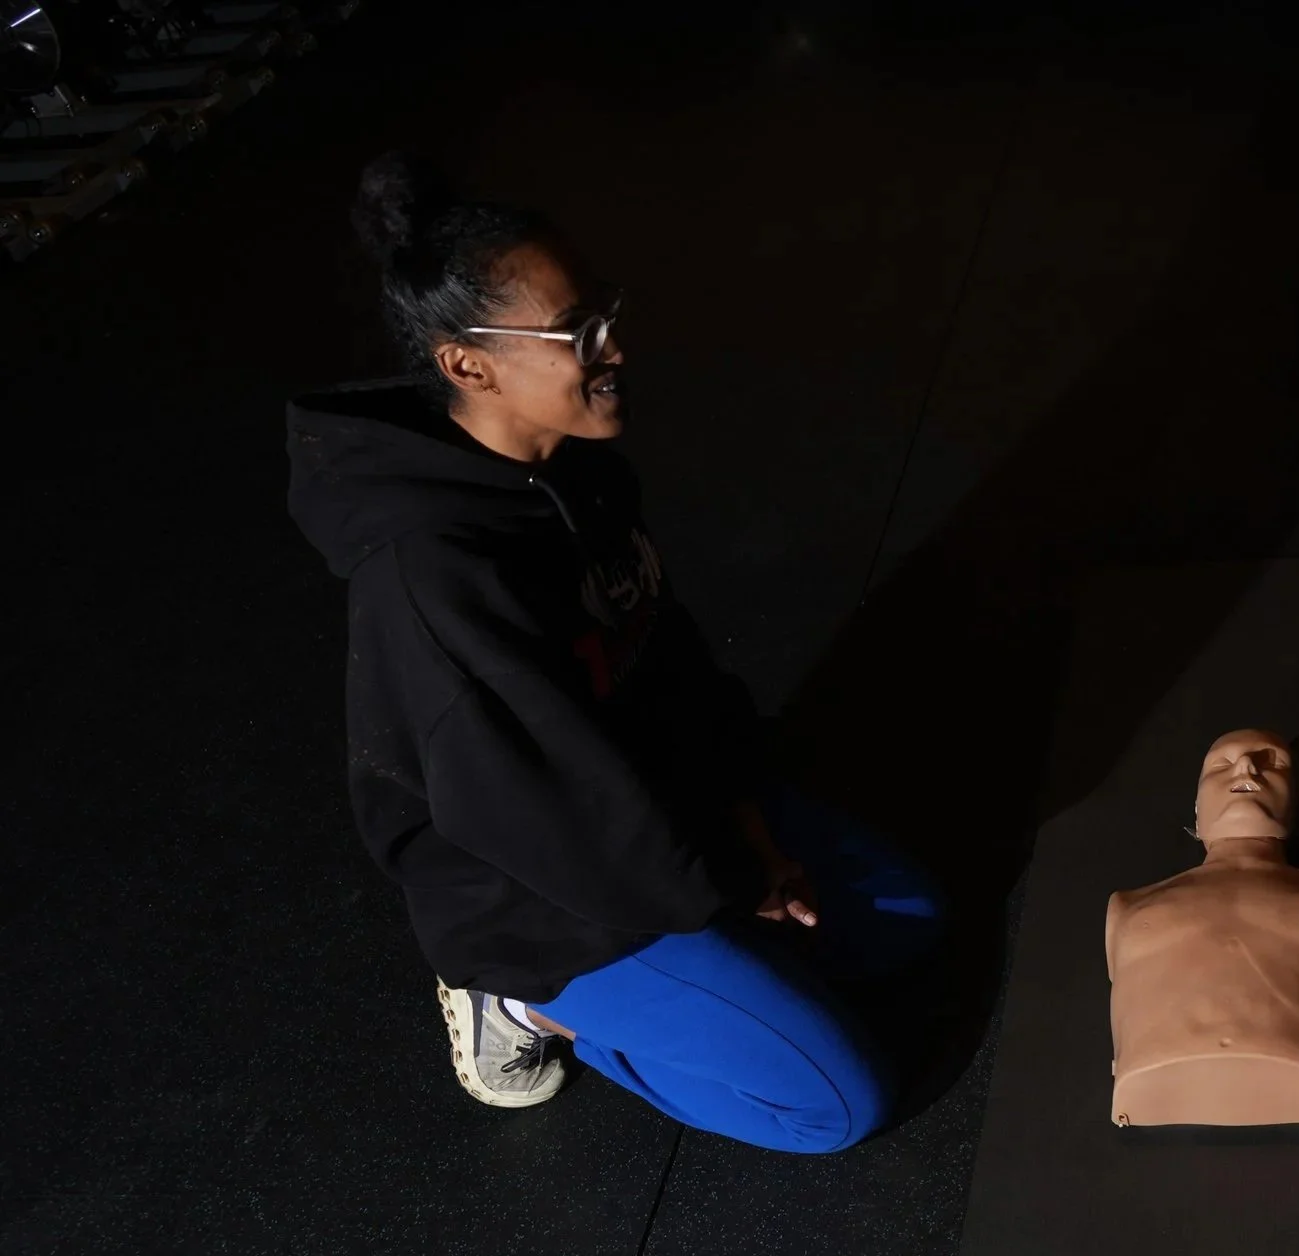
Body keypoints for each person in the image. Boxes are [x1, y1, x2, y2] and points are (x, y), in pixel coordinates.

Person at [286, 155, 940, 1153]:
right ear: (469, 364)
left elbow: (665, 659)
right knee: (832, 1106)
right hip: (537, 893)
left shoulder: (581, 474)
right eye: (579, 334)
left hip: (661, 821)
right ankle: (527, 1009)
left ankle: (715, 953)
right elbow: (555, 815)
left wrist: (743, 815)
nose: (617, 348)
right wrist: (733, 874)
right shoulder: (433, 575)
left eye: (605, 312)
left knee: (906, 924)